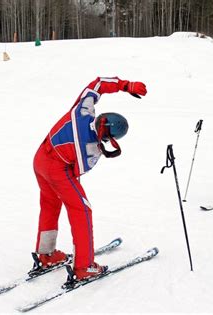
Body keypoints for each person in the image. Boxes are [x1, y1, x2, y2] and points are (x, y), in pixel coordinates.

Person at [32, 77, 147, 280]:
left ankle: (46, 254)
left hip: (40, 158)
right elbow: (76, 173)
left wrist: (125, 85)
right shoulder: (91, 152)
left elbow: (99, 83)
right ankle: (84, 266)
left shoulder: (82, 111)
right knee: (81, 209)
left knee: (50, 205)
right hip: (58, 169)